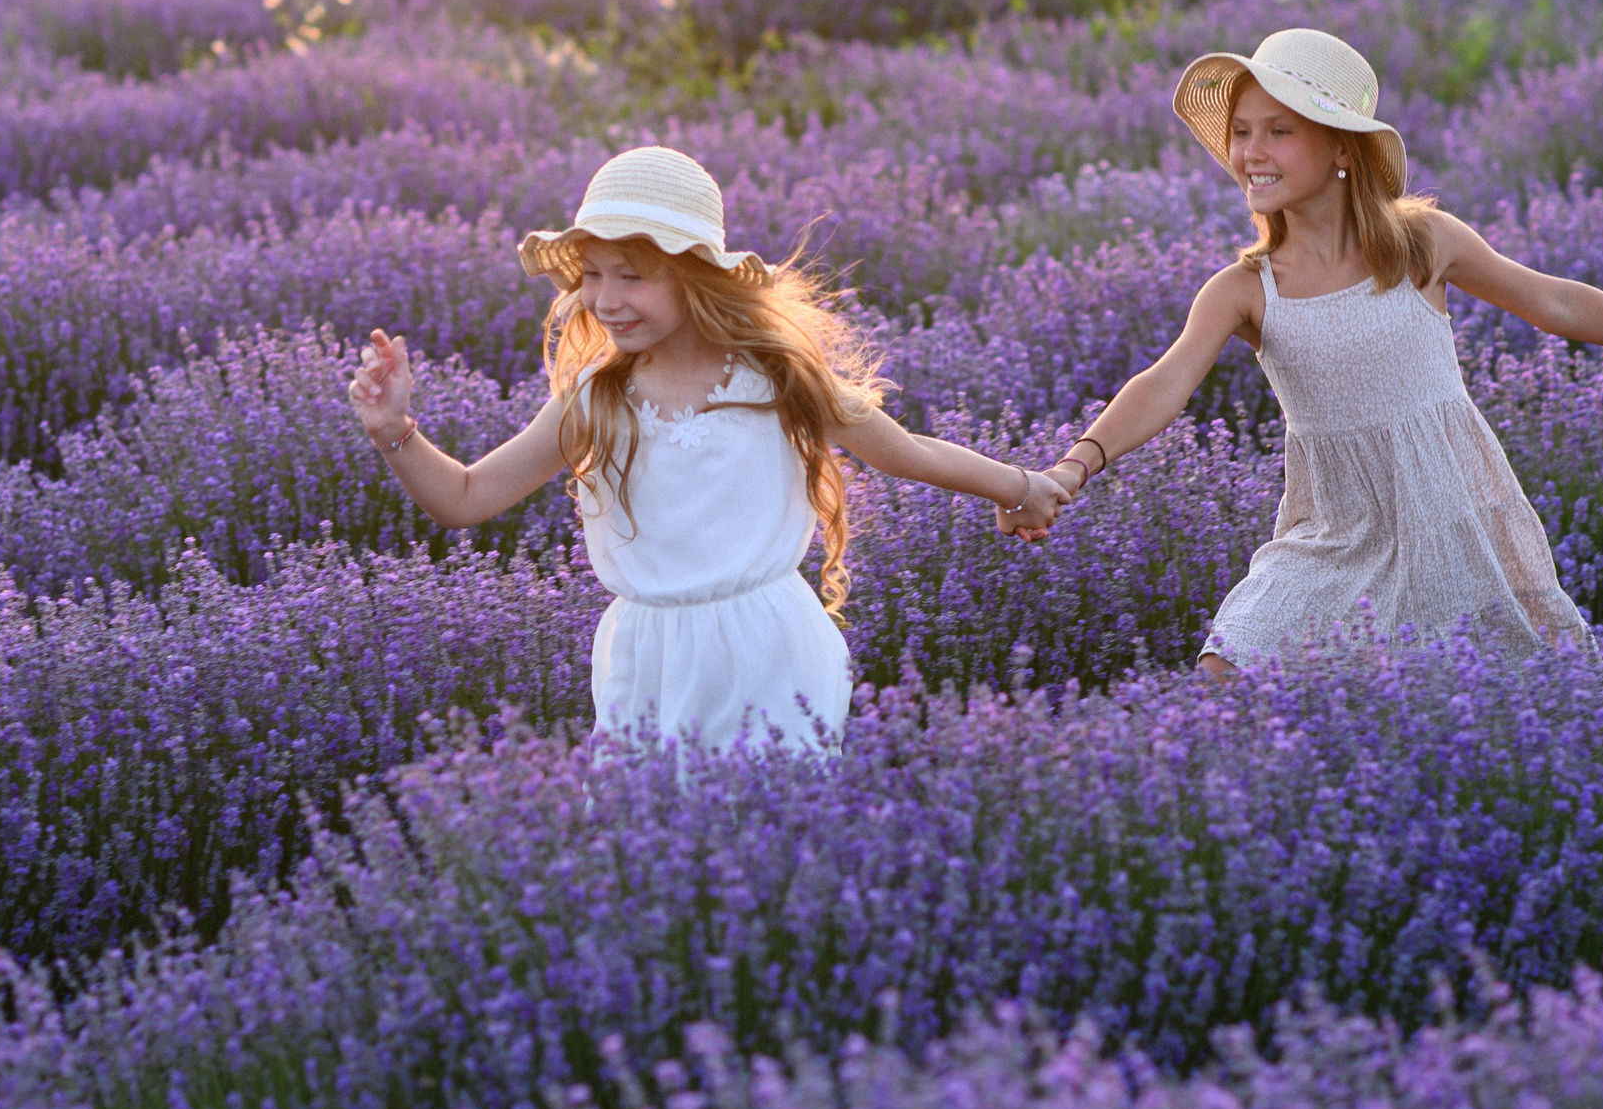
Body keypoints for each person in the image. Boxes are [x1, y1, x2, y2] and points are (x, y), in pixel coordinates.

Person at [1011, 28, 1603, 673]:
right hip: (1333, 532)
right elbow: (1165, 381)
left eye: (1279, 132)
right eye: (1240, 131)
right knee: (1229, 666)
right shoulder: (1244, 289)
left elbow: (1555, 302)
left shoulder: (1422, 244)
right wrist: (1074, 464)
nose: (1250, 152)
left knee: (1492, 694)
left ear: (1339, 146)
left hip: (1447, 517)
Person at [350, 145, 1069, 749]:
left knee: (772, 845)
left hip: (768, 647)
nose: (605, 299)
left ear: (696, 276)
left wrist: (1020, 486)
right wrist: (395, 433)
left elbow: (905, 451)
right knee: (653, 866)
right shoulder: (596, 397)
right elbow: (466, 498)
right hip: (648, 660)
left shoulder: (776, 377)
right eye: (592, 274)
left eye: (632, 275)